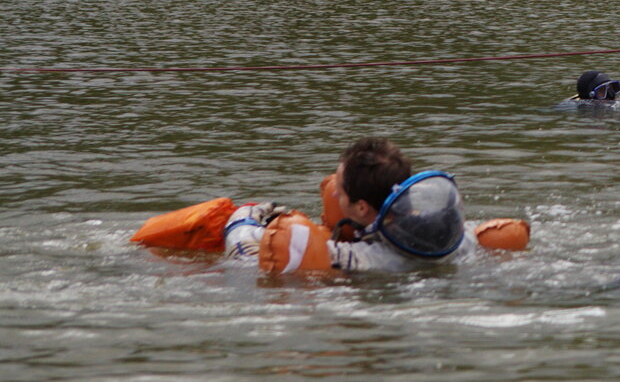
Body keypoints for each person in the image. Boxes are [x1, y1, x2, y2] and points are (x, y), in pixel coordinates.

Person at [134, 137, 529, 273]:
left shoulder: (353, 259)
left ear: (360, 208)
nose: (332, 193)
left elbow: (246, 258)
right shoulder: (457, 238)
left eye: (338, 190)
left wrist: (246, 216)